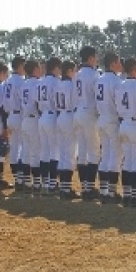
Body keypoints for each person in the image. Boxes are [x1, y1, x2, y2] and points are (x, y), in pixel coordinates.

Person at [116, 58, 136, 207]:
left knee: (127, 161)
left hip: (124, 123)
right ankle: (134, 197)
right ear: (135, 69)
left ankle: (126, 195)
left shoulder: (120, 85)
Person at [74, 46, 101, 200]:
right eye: (95, 57)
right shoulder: (94, 74)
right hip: (90, 113)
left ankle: (85, 186)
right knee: (93, 151)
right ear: (90, 58)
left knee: (82, 151)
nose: (96, 59)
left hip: (78, 112)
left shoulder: (77, 74)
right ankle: (89, 187)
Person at [97, 53, 124, 203]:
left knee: (105, 155)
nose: (120, 64)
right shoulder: (116, 81)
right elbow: (119, 104)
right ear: (113, 63)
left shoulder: (99, 79)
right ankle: (111, 192)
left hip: (102, 118)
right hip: (112, 120)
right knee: (115, 156)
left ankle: (103, 190)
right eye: (118, 62)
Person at [55, 60, 80, 200]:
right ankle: (66, 188)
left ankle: (63, 187)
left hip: (60, 117)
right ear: (70, 71)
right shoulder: (71, 85)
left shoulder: (58, 84)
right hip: (69, 116)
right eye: (74, 70)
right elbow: (75, 103)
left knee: (63, 153)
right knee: (70, 154)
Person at [37, 57, 61, 195]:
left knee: (44, 152)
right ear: (55, 68)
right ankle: (52, 184)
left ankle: (44, 183)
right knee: (54, 152)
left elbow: (36, 102)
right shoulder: (56, 82)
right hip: (52, 116)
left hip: (42, 117)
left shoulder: (40, 82)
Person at [3, 56, 26, 190]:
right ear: (20, 66)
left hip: (10, 116)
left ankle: (17, 179)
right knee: (23, 148)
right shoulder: (21, 81)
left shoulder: (7, 81)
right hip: (19, 116)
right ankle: (21, 178)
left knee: (14, 149)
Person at [20, 59, 43, 194]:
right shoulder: (37, 83)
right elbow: (38, 103)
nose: (41, 70)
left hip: (25, 119)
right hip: (34, 119)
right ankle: (36, 183)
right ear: (34, 69)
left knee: (26, 152)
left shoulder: (24, 84)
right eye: (39, 68)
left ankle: (27, 182)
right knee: (35, 153)